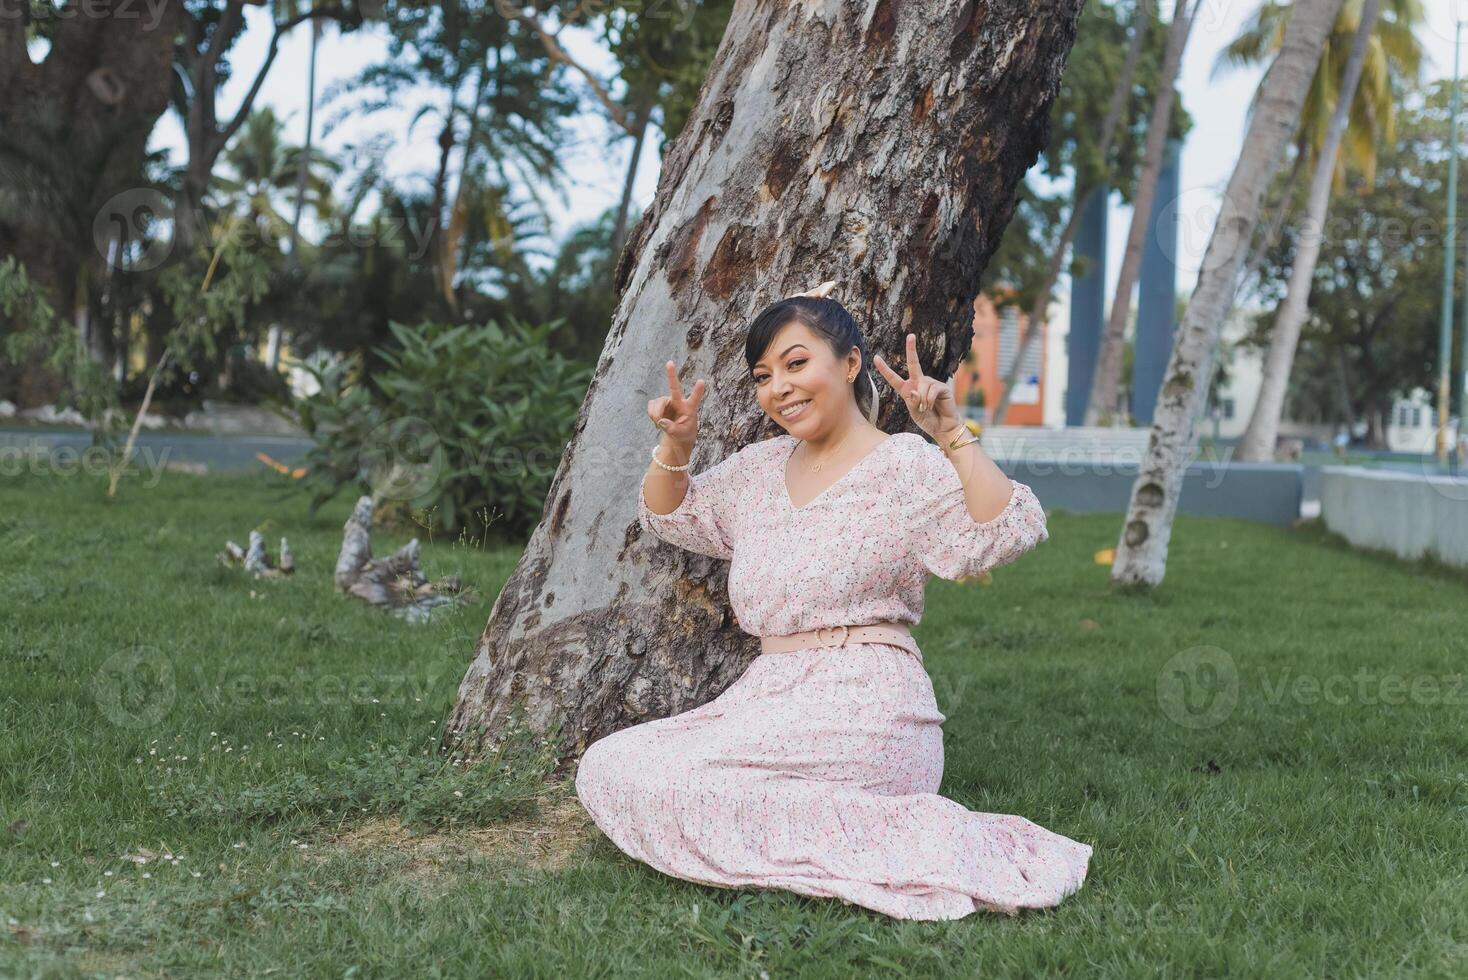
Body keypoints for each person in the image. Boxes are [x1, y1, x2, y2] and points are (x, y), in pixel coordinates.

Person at [574, 281, 1092, 921]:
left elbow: (1003, 528)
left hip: (869, 701)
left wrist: (951, 432)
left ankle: (925, 838)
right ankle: (859, 834)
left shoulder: (901, 463)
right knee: (610, 765)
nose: (779, 388)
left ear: (849, 364)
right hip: (769, 695)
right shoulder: (760, 470)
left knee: (686, 788)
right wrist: (676, 445)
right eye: (764, 376)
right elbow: (669, 513)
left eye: (796, 364)